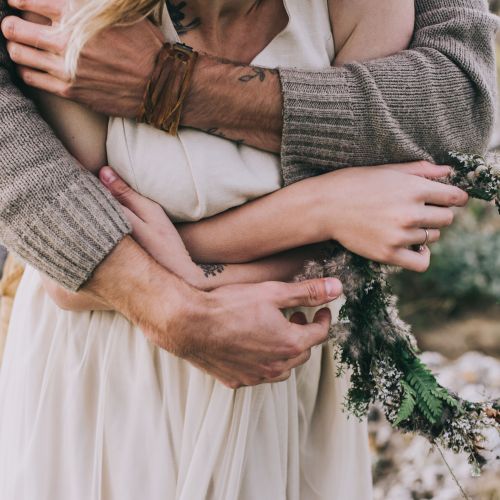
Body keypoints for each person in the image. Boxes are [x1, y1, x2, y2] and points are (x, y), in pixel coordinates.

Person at [0, 1, 485, 499]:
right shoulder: (76, 13)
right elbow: (69, 272)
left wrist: (170, 84)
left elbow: (395, 198)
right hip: (108, 380)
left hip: (284, 364)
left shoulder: (366, 8)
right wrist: (324, 207)